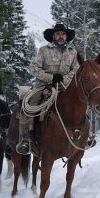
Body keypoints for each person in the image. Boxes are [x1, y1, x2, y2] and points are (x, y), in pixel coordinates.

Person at [16, 23, 79, 155]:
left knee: (82, 102)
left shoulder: (73, 52)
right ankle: (26, 139)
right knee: (29, 105)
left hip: (64, 87)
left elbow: (76, 69)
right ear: (53, 36)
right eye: (58, 34)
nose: (60, 36)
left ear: (66, 36)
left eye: (63, 34)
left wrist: (63, 80)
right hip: (44, 87)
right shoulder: (43, 50)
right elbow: (34, 68)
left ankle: (85, 135)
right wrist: (51, 78)